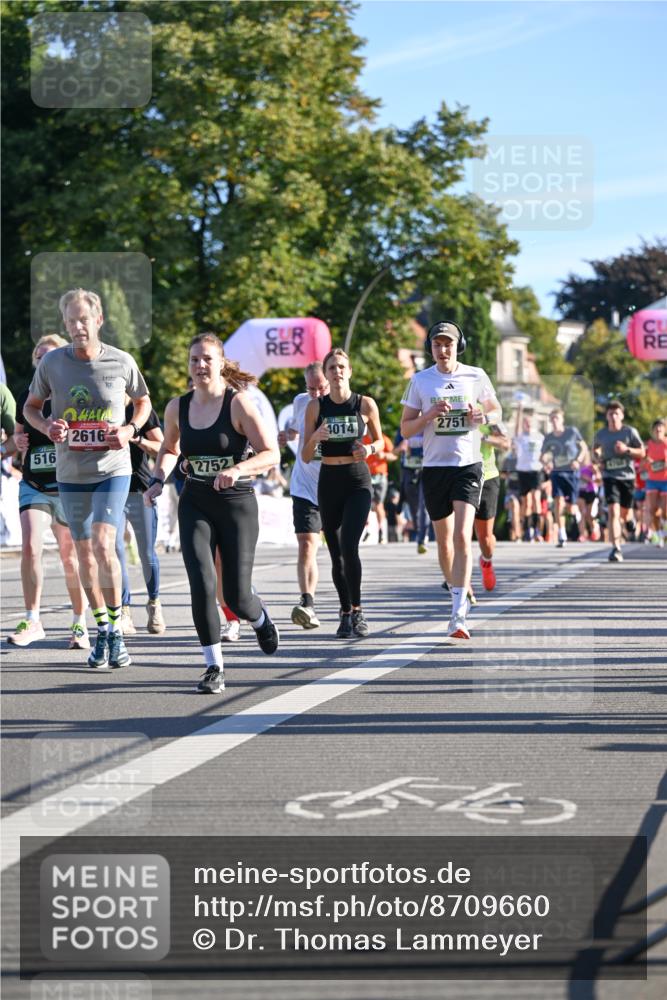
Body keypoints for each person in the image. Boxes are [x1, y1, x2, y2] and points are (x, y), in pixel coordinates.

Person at [144, 333, 280, 694]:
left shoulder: (239, 404)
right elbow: (170, 449)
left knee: (235, 595)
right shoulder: (178, 406)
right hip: (197, 500)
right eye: (194, 360)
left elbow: (271, 453)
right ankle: (213, 666)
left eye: (207, 359)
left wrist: (238, 469)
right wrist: (158, 480)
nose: (200, 366)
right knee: (202, 584)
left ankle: (260, 619)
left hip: (236, 504)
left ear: (221, 363)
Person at [23, 288, 152, 669]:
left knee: (102, 542)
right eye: (71, 320)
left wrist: (130, 429)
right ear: (64, 324)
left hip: (113, 468)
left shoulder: (121, 361)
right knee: (83, 554)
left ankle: (116, 623)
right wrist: (47, 425)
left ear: (98, 321)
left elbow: (143, 400)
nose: (78, 326)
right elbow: (31, 407)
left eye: (84, 319)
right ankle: (103, 632)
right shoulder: (53, 364)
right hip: (71, 472)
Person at [401, 321, 502, 639]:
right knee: (443, 543)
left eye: (448, 344)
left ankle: (458, 615)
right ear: (430, 348)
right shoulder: (420, 381)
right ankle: (459, 590)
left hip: (467, 465)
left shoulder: (476, 375)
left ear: (458, 346)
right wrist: (428, 416)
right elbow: (405, 429)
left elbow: (497, 410)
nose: (443, 350)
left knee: (461, 535)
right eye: (437, 344)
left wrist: (482, 417)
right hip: (434, 468)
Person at [7, 335, 89, 649]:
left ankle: (80, 623)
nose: (44, 360)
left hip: (68, 486)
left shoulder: (76, 394)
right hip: (34, 484)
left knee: (70, 558)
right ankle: (33, 619)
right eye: (39, 356)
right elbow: (16, 441)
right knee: (29, 546)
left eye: (50, 355)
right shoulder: (28, 398)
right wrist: (19, 445)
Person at [302, 348, 383, 639]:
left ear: (349, 371)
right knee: (336, 555)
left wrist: (369, 449)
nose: (337, 372)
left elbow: (381, 441)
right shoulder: (316, 407)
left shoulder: (364, 404)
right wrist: (315, 437)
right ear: (326, 373)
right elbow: (305, 454)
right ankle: (345, 611)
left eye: (341, 367)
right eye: (332, 367)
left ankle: (359, 610)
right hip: (329, 479)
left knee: (349, 545)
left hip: (357, 480)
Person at [279, 361, 329, 630]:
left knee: (339, 551)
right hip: (304, 485)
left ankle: (350, 607)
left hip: (334, 485)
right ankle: (307, 603)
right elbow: (294, 430)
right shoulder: (301, 402)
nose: (317, 394)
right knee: (307, 544)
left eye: (321, 387)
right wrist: (285, 435)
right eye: (312, 389)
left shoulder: (343, 404)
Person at [114, 397, 166, 635]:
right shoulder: (100, 407)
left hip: (139, 488)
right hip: (111, 488)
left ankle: (154, 603)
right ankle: (124, 610)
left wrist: (136, 438)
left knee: (146, 552)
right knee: (116, 552)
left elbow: (163, 447)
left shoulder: (141, 409)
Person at [592, 400, 645, 562]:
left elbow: (642, 452)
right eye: (610, 414)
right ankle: (616, 548)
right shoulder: (601, 434)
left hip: (627, 478)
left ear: (621, 416)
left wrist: (627, 449)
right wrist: (598, 457)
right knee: (613, 511)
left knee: (624, 513)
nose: (613, 416)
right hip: (610, 477)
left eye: (616, 413)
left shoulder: (629, 432)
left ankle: (630, 520)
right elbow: (595, 451)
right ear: (607, 416)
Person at [540, 408, 588, 548]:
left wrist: (578, 460)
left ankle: (575, 513)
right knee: (558, 502)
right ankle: (562, 534)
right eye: (552, 419)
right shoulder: (549, 437)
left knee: (571, 507)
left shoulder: (571, 432)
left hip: (572, 473)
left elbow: (583, 447)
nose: (554, 421)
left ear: (562, 420)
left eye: (557, 418)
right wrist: (546, 463)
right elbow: (542, 456)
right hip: (557, 473)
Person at [474, 418, 510, 591]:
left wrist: (482, 437)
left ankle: (486, 561)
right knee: (459, 533)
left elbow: (505, 443)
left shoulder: (487, 412)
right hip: (458, 474)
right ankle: (457, 579)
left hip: (486, 476)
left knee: (486, 540)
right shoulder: (449, 402)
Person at [513, 403, 544, 541]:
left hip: (536, 470)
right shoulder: (520, 437)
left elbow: (546, 452)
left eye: (530, 422)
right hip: (523, 471)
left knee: (536, 499)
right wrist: (520, 411)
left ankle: (537, 530)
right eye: (526, 422)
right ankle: (528, 529)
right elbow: (516, 428)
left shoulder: (540, 437)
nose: (528, 424)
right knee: (526, 502)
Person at [363, 429, 397, 544]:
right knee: (365, 504)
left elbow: (394, 455)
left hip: (380, 476)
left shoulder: (383, 439)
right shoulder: (363, 439)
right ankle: (366, 530)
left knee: (378, 504)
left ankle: (382, 532)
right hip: (366, 475)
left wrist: (383, 455)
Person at [644, 418, 667, 547]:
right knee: (653, 510)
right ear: (653, 431)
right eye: (656, 429)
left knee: (665, 511)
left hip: (665, 480)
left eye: (660, 428)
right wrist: (648, 462)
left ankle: (664, 530)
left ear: (664, 430)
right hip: (652, 480)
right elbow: (643, 461)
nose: (658, 431)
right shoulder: (649, 444)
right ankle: (659, 535)